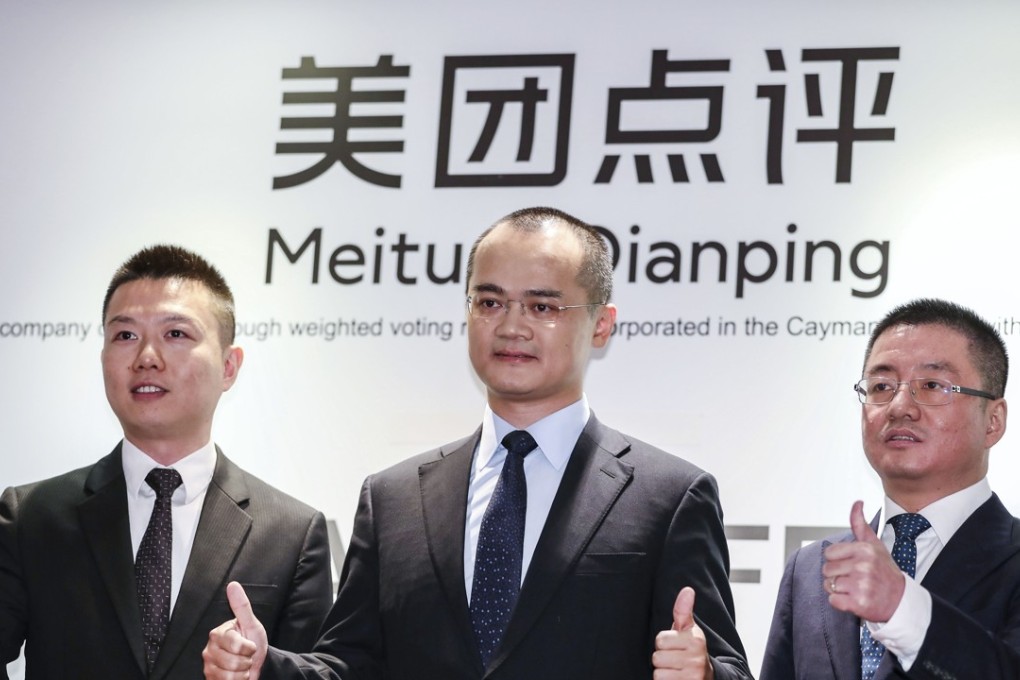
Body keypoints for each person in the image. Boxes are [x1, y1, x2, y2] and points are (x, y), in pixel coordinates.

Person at [203, 207, 752, 679]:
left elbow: (729, 664)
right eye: (489, 303)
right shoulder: (392, 499)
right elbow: (351, 665)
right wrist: (265, 666)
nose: (511, 326)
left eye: (543, 307)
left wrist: (704, 672)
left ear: (602, 325)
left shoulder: (670, 497)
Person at [0, 245, 334, 679]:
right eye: (125, 336)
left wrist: (263, 669)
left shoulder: (292, 534)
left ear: (229, 366)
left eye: (176, 334)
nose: (147, 357)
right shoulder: (32, 518)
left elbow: (319, 671)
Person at [760, 298, 1020, 679]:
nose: (899, 406)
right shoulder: (811, 568)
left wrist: (902, 608)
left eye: (932, 385)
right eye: (881, 386)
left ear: (993, 421)